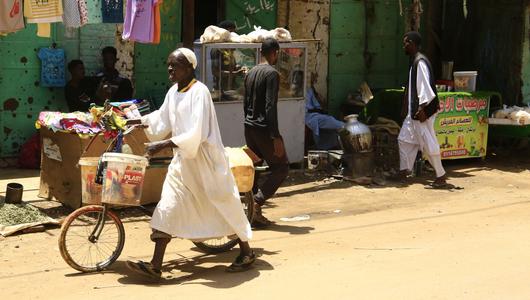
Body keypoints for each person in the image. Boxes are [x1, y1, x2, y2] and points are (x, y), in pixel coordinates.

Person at [125, 48, 255, 279]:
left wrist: (163, 144)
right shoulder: (174, 92)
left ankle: (246, 251)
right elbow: (161, 118)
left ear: (189, 68)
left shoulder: (200, 92)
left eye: (175, 65)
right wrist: (138, 121)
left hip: (205, 161)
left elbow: (197, 132)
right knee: (168, 205)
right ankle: (156, 264)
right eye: (169, 64)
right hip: (183, 161)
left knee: (223, 204)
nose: (170, 69)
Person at [243, 38, 289, 227]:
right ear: (275, 53)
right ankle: (258, 202)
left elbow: (245, 103)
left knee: (254, 168)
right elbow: (270, 106)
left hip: (249, 127)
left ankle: (252, 212)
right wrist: (275, 136)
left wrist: (248, 123)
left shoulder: (251, 72)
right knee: (281, 167)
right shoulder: (271, 74)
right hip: (263, 130)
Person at [397, 31, 447, 188]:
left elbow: (426, 90)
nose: (403, 45)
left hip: (421, 113)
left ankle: (441, 176)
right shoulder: (415, 62)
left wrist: (422, 109)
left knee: (428, 144)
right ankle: (404, 171)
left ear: (412, 43)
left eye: (405, 42)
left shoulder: (420, 63)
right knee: (404, 140)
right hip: (413, 114)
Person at [305, 75, 344, 150]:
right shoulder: (295, 92)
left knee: (328, 120)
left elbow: (317, 106)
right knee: (326, 120)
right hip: (305, 116)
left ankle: (328, 145)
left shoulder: (309, 90)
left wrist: (321, 106)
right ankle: (344, 126)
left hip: (313, 114)